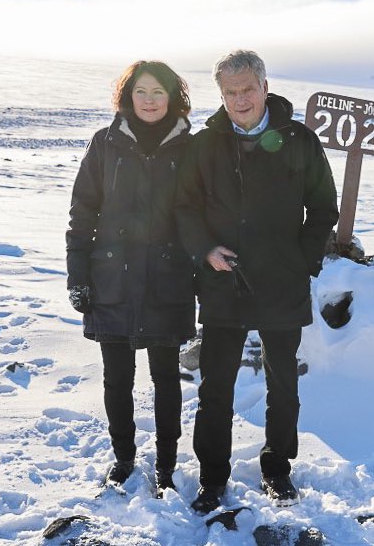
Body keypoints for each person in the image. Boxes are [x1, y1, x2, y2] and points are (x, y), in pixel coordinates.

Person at [174, 50, 338, 514]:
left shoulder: (299, 139)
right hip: (224, 282)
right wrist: (205, 250)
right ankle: (211, 478)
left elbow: (324, 206)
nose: (240, 100)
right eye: (230, 92)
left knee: (283, 382)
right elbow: (184, 207)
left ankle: (278, 470)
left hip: (282, 282)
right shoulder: (204, 146)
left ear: (265, 86)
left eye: (247, 89)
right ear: (221, 94)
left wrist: (302, 261)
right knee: (215, 387)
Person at [66, 60, 196, 494]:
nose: (150, 100)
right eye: (141, 91)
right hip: (112, 279)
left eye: (158, 91)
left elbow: (203, 216)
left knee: (166, 377)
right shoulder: (105, 144)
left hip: (167, 280)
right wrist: (78, 274)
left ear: (173, 97)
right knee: (116, 377)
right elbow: (82, 212)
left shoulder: (190, 147)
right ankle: (123, 456)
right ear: (127, 95)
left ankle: (166, 463)